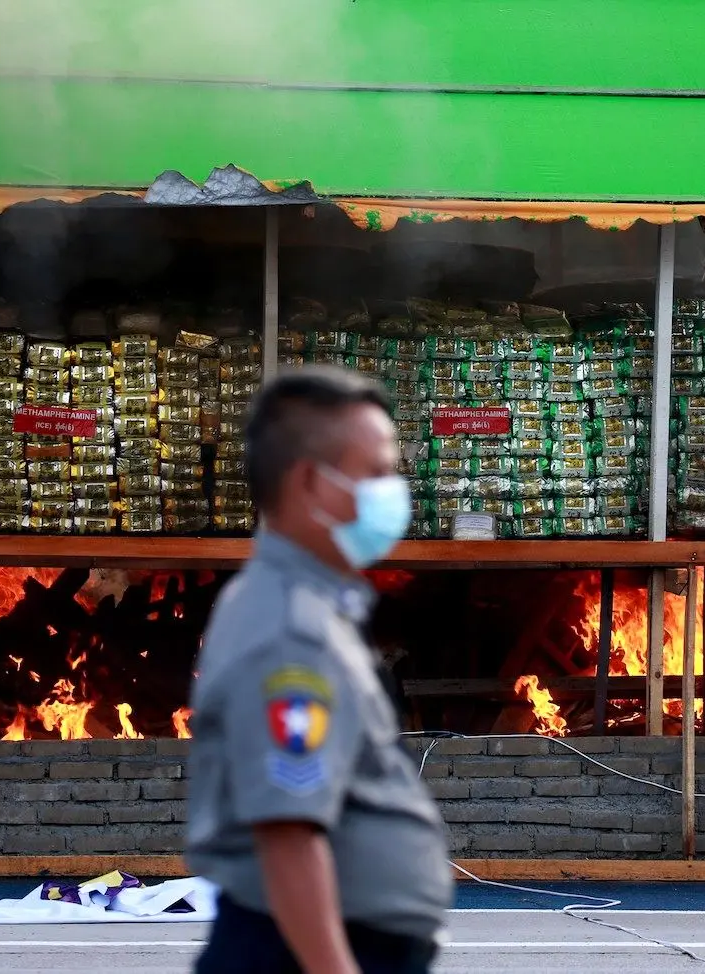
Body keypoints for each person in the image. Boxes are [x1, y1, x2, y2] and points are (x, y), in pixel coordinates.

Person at [186, 366, 451, 974]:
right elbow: (288, 831)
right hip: (303, 950)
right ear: (310, 483)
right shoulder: (290, 630)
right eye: (378, 472)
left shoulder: (307, 606)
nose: (393, 490)